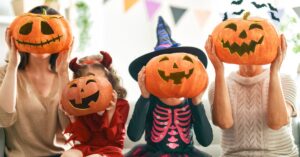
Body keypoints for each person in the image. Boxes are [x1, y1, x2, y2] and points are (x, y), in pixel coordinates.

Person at [125, 16, 213, 157]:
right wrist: (144, 97)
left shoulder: (191, 102)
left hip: (186, 153)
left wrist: (197, 103)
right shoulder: (150, 101)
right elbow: (134, 135)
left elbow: (206, 141)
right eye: (163, 62)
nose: (173, 68)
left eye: (183, 61)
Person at [206, 33, 299, 156]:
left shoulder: (284, 80)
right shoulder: (218, 84)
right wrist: (218, 70)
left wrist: (274, 71)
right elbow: (224, 122)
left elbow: (277, 122)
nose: (246, 42)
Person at [0, 6, 73, 157]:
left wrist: (63, 74)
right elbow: (3, 119)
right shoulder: (5, 73)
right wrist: (13, 65)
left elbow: (71, 128)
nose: (41, 37)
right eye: (30, 29)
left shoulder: (65, 76)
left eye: (48, 30)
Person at [61, 51, 129, 157]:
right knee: (68, 155)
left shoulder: (121, 105)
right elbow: (84, 138)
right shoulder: (83, 105)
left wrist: (110, 111)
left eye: (99, 79)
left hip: (110, 149)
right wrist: (73, 117)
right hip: (86, 146)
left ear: (109, 79)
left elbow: (113, 138)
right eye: (89, 80)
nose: (95, 84)